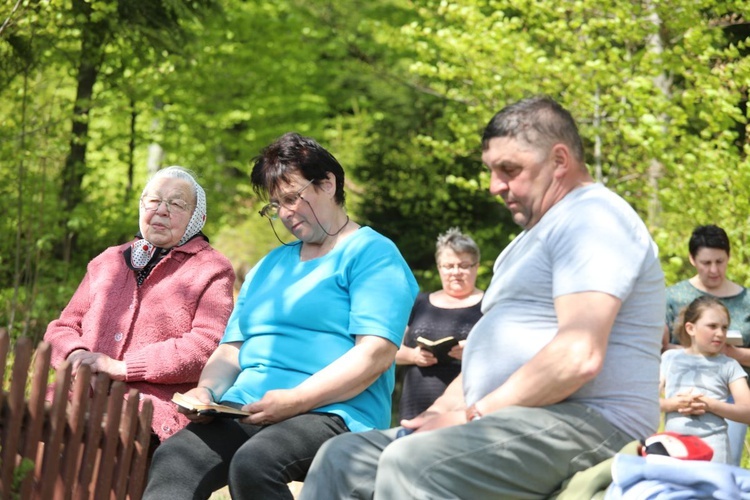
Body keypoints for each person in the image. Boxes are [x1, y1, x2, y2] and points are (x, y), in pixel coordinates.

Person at [299, 95, 665, 499]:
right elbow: (482, 361)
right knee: (343, 457)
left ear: (560, 160)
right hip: (511, 418)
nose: (495, 186)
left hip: (591, 420)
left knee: (413, 462)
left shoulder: (594, 218)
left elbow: (578, 356)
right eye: (492, 171)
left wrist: (475, 413)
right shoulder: (526, 242)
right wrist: (443, 410)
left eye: (509, 170)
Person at [144, 132, 419, 500]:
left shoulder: (374, 254)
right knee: (176, 458)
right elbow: (231, 350)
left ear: (327, 183)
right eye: (276, 205)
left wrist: (297, 399)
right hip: (247, 407)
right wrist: (207, 392)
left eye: (291, 199)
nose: (286, 214)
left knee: (256, 462)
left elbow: (375, 354)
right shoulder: (269, 266)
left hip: (334, 411)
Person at [44, 166, 235, 443]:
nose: (162, 210)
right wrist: (76, 358)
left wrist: (122, 368)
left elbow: (206, 345)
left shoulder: (212, 268)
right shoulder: (108, 260)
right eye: (153, 200)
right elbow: (63, 326)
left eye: (176, 204)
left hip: (146, 412)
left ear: (198, 218)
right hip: (74, 396)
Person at [664, 224, 750, 466]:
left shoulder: (747, 299)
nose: (714, 270)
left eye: (720, 262)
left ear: (729, 257)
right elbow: (659, 348)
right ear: (692, 259)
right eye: (706, 262)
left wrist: (732, 354)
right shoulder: (672, 297)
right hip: (681, 396)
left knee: (725, 461)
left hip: (732, 393)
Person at [395, 227, 483, 421]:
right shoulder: (419, 303)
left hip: (466, 408)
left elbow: (505, 351)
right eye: (449, 266)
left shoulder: (489, 304)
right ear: (439, 267)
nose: (456, 272)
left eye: (464, 265)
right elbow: (389, 350)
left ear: (476, 266)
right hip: (415, 405)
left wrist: (474, 350)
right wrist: (413, 355)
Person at [660, 295, 750, 463]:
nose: (720, 333)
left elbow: (747, 412)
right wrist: (674, 404)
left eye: (724, 328)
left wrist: (710, 405)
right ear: (690, 328)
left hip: (715, 454)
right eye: (712, 326)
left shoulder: (729, 365)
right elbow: (647, 402)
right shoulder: (669, 358)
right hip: (675, 451)